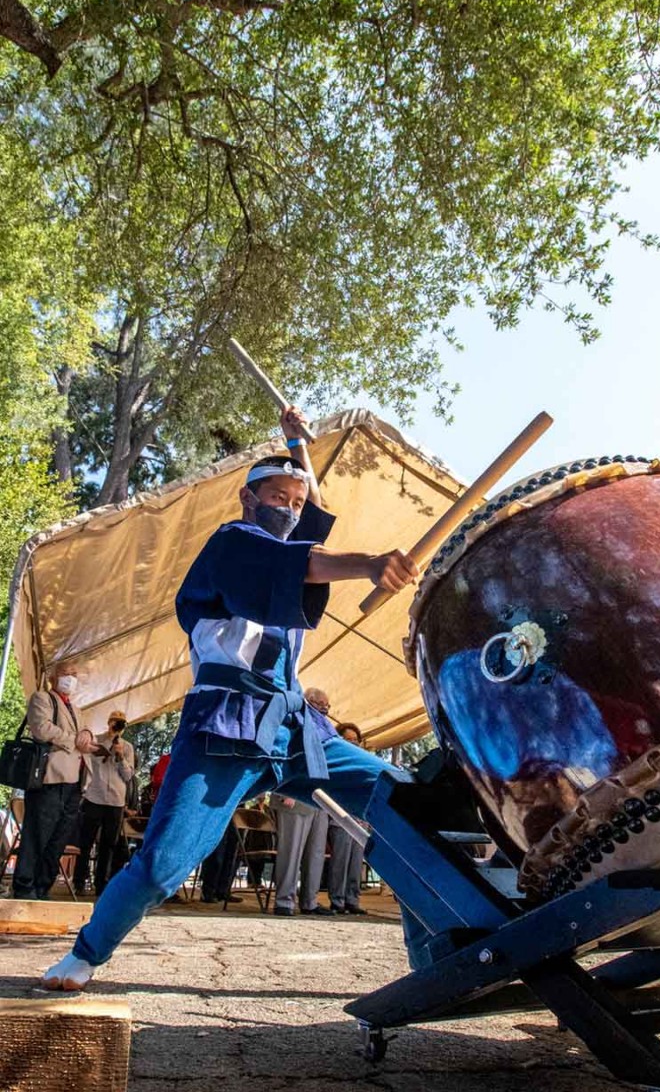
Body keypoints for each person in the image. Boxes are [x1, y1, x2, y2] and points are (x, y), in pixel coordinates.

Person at [42, 404, 418, 990]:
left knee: (403, 803)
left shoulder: (291, 540)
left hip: (294, 728)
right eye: (277, 498)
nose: (289, 509)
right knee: (164, 864)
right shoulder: (233, 543)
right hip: (228, 724)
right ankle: (85, 954)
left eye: (294, 503)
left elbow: (311, 520)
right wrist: (369, 563)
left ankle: (443, 949)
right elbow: (291, 559)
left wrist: (299, 451)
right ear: (248, 499)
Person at [13, 664, 100, 900]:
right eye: (66, 674)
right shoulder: (42, 698)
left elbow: (86, 733)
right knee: (38, 833)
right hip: (50, 778)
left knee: (59, 838)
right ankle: (24, 886)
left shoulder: (77, 709)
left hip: (75, 782)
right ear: (53, 677)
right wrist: (75, 741)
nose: (70, 678)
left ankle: (43, 886)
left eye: (74, 674)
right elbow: (41, 729)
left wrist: (89, 737)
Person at [271, 687, 333, 917]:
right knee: (291, 851)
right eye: (322, 705)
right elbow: (281, 754)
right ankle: (284, 901)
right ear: (310, 702)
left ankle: (310, 901)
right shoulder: (292, 721)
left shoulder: (324, 727)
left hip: (320, 798)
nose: (326, 710)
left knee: (316, 853)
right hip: (294, 795)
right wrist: (285, 789)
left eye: (328, 706)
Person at [74, 711, 135, 897]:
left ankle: (102, 883)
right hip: (95, 796)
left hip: (116, 800)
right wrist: (107, 744)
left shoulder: (127, 747)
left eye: (121, 724)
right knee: (85, 842)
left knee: (109, 844)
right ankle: (79, 881)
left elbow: (128, 776)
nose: (117, 727)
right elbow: (88, 760)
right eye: (115, 723)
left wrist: (120, 757)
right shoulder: (97, 740)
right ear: (108, 722)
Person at [327, 723, 368, 916]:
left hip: (360, 820)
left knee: (356, 862)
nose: (353, 743)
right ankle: (337, 900)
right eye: (348, 740)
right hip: (341, 818)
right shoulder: (338, 761)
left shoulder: (364, 761)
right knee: (340, 861)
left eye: (355, 740)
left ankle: (353, 899)